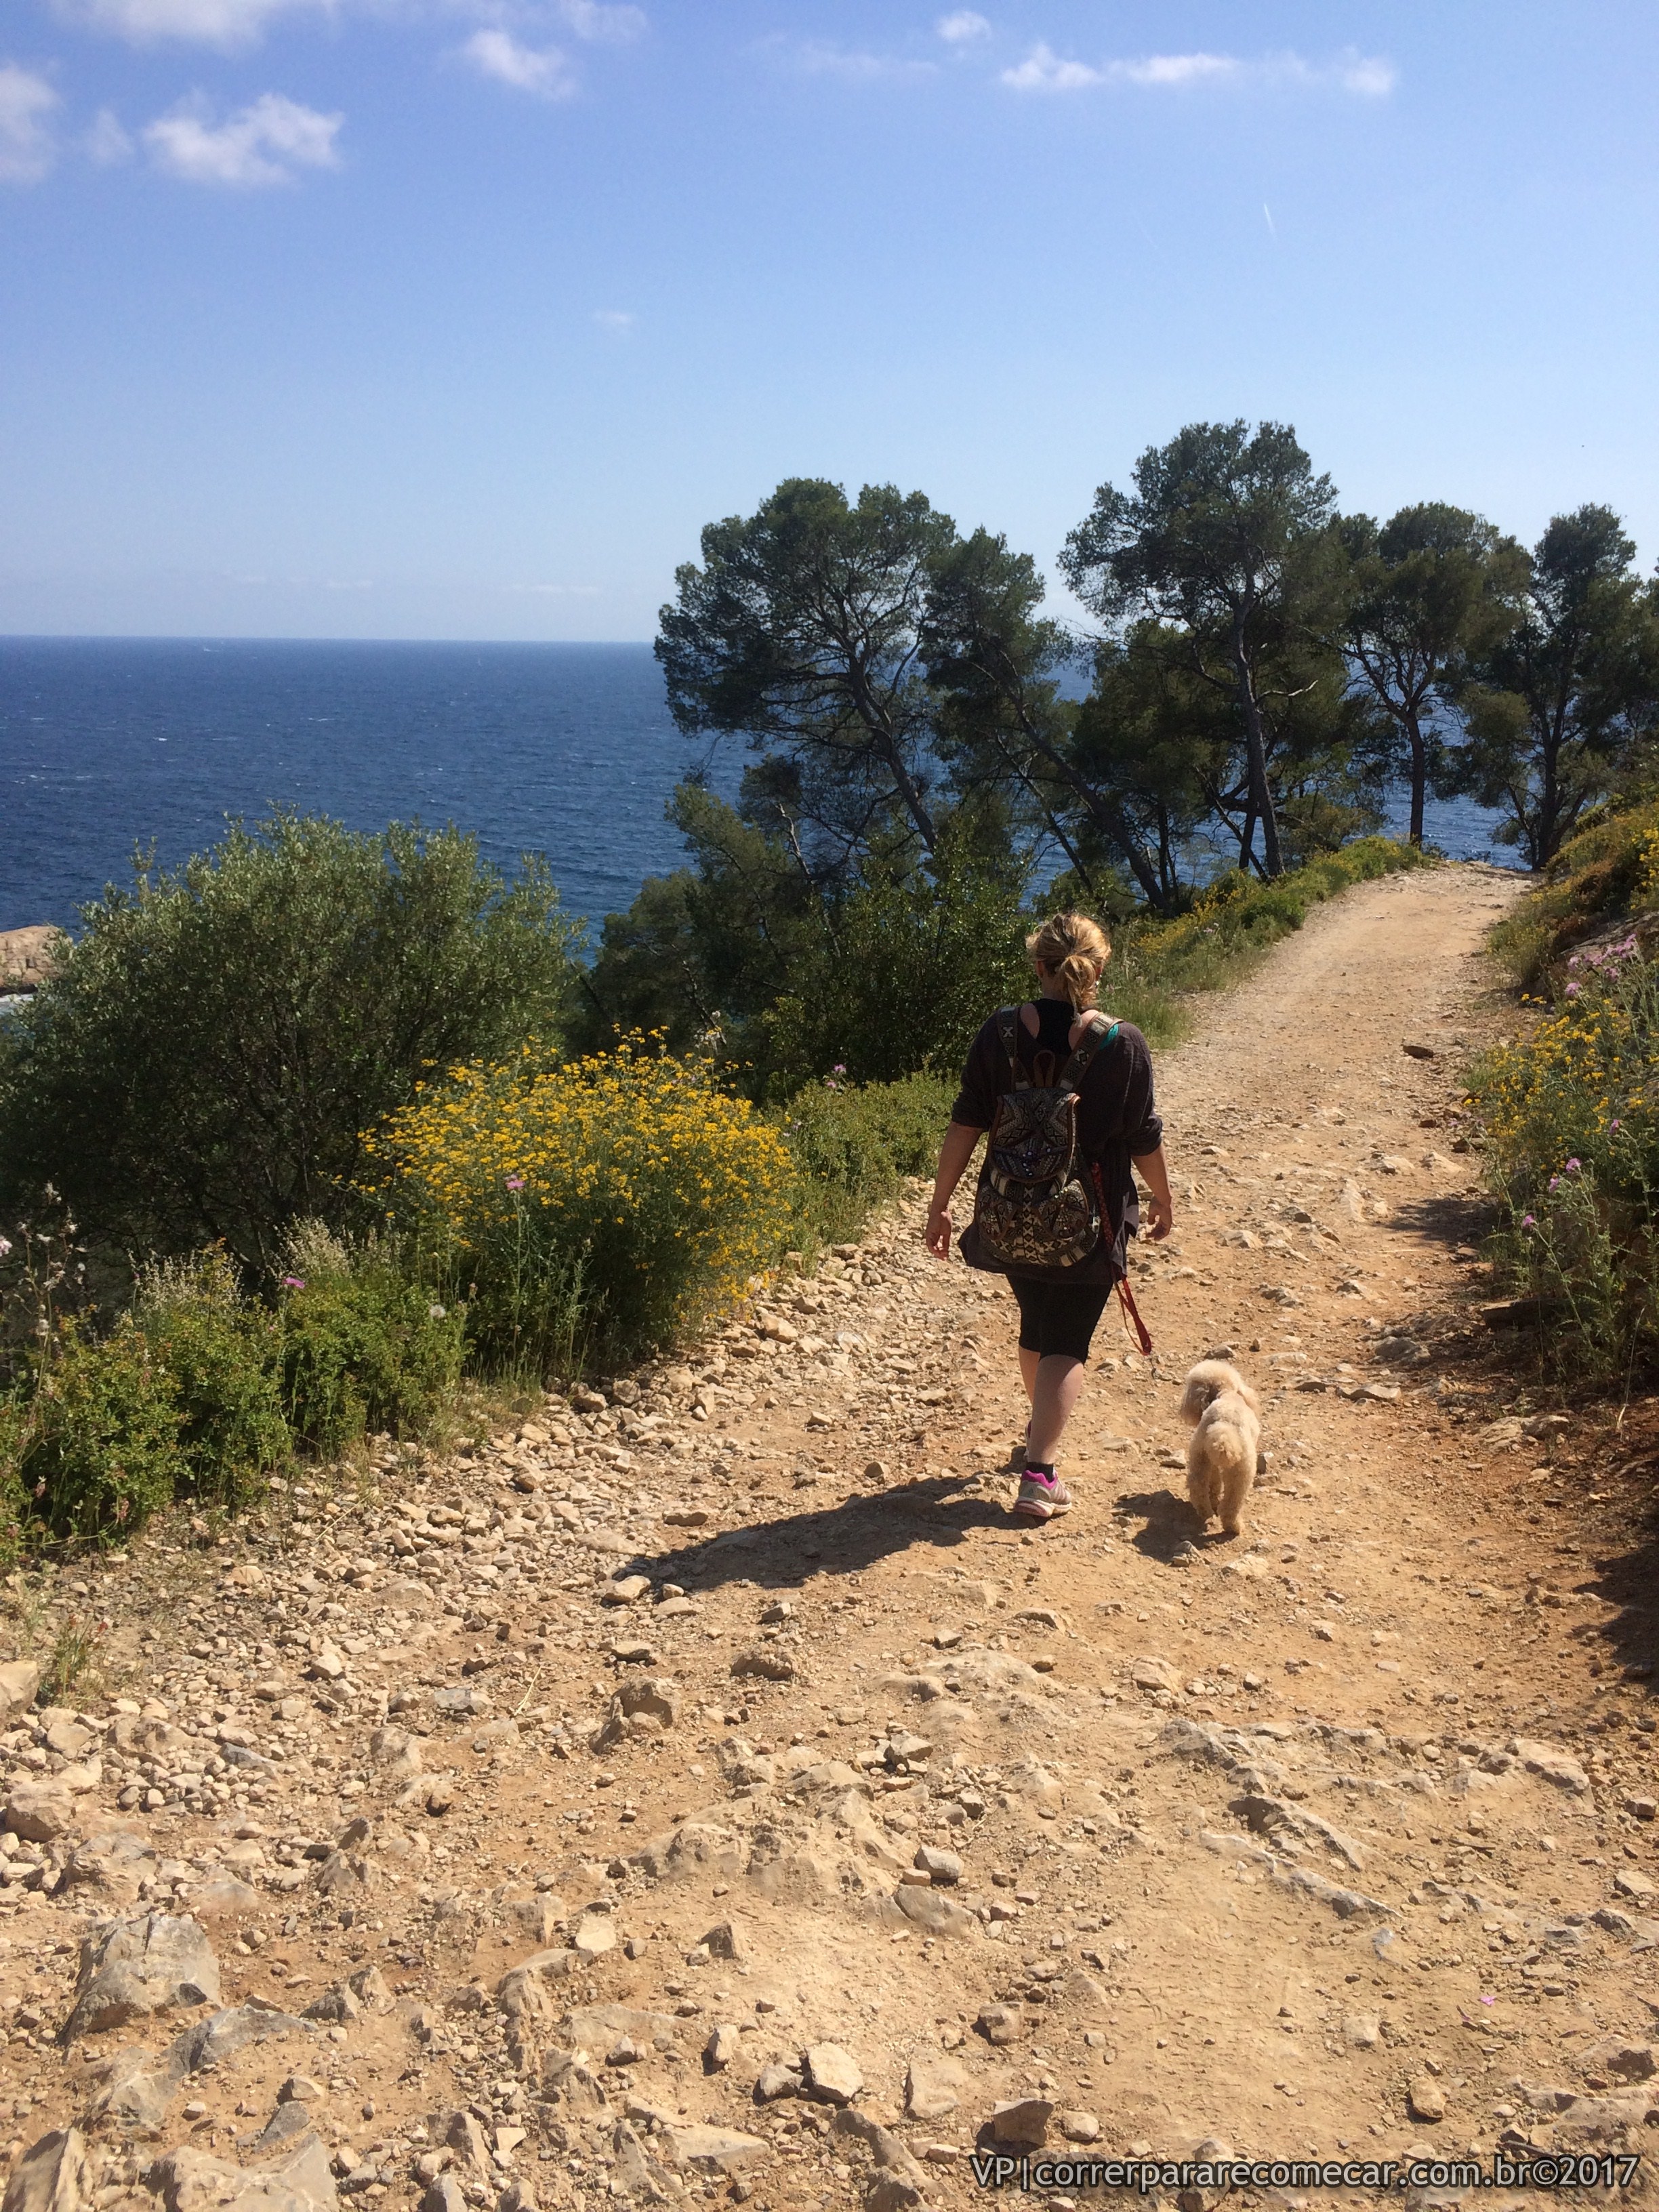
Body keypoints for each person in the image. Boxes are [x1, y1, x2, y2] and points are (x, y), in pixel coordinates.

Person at [924, 911, 1174, 1521]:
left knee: (1037, 1321)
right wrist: (1164, 1197)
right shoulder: (1123, 1044)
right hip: (1091, 1219)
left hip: (1007, 1212)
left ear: (1038, 966)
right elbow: (1142, 1137)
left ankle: (1039, 1429)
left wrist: (940, 1205)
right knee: (1068, 1337)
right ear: (1096, 970)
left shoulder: (1000, 1032)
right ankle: (1040, 1472)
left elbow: (965, 1122)